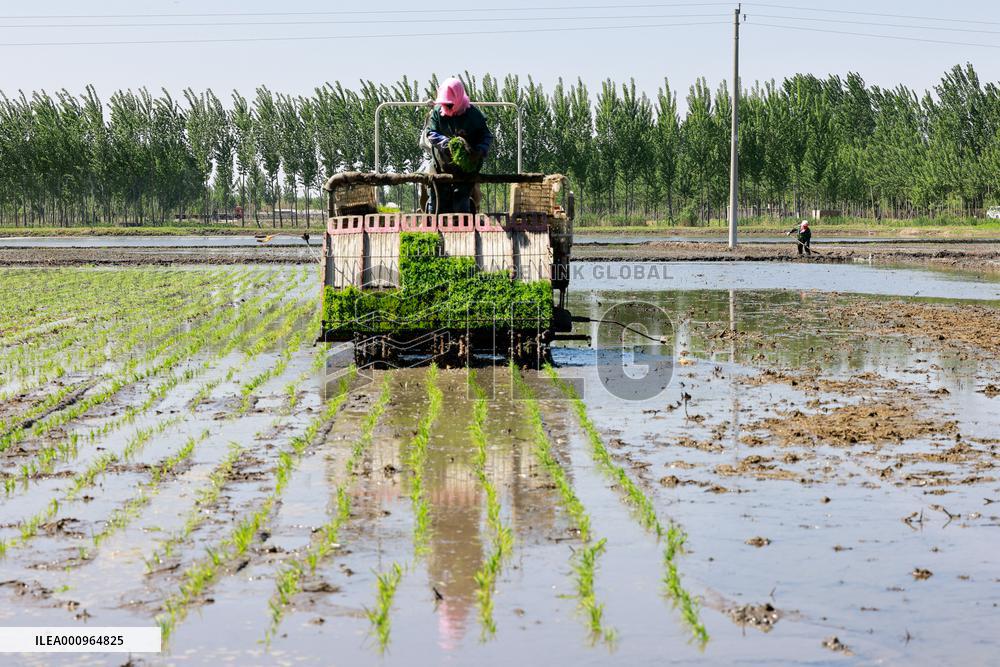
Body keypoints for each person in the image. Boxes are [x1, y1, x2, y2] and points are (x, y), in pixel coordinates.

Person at [422, 77, 493, 214]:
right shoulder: (438, 112)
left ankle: (463, 231)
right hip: (441, 166)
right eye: (444, 104)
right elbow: (431, 132)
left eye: (449, 104)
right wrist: (447, 144)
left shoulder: (473, 114)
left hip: (466, 169)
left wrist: (479, 151)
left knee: (460, 203)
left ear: (459, 98)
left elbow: (487, 136)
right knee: (437, 203)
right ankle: (433, 229)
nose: (446, 107)